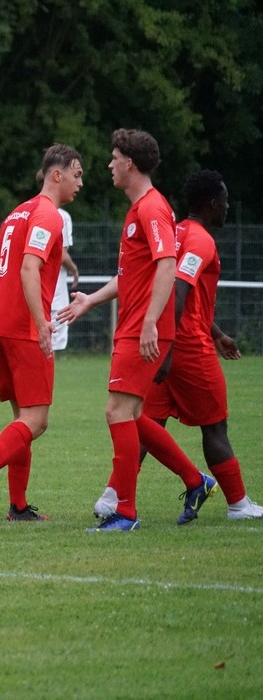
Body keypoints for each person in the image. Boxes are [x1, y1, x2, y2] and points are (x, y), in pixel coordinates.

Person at [58, 129, 217, 532]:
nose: (109, 165)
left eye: (114, 158)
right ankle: (195, 480)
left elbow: (167, 264)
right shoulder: (138, 210)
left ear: (130, 163)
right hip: (133, 326)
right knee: (134, 414)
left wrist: (149, 323)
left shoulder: (152, 208)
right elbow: (131, 275)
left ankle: (126, 512)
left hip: (142, 329)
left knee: (117, 412)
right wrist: (91, 300)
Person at [0, 144, 83, 526]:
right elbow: (30, 269)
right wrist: (41, 322)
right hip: (23, 326)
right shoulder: (49, 215)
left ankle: (18, 506)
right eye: (77, 174)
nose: (80, 183)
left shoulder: (17, 213)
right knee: (38, 420)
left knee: (22, 419)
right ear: (57, 174)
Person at [141, 170, 263, 520]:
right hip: (187, 348)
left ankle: (113, 496)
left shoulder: (175, 232)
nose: (227, 207)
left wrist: (218, 333)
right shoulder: (201, 240)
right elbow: (178, 294)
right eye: (224, 201)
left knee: (148, 425)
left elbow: (186, 297)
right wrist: (170, 350)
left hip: (167, 342)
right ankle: (238, 504)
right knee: (215, 426)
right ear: (211, 204)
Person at [51, 208, 80, 352]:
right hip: (54, 296)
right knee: (49, 347)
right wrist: (74, 270)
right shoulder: (61, 216)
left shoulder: (26, 211)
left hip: (30, 295)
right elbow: (61, 254)